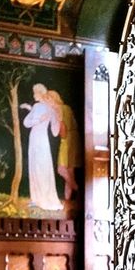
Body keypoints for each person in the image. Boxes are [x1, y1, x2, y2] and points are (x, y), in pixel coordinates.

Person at [20, 83, 62, 211]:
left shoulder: (42, 107)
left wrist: (54, 116)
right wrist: (38, 118)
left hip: (39, 140)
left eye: (35, 93)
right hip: (38, 140)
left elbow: (27, 123)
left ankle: (42, 199)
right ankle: (36, 199)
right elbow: (27, 123)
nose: (34, 95)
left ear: (40, 94)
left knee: (41, 168)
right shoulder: (43, 108)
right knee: (36, 167)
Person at [45, 89, 82, 200]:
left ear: (53, 99)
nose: (47, 103)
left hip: (69, 140)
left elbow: (64, 132)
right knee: (70, 172)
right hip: (71, 139)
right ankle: (67, 201)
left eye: (48, 99)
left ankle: (76, 188)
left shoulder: (63, 109)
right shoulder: (62, 109)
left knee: (61, 170)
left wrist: (58, 120)